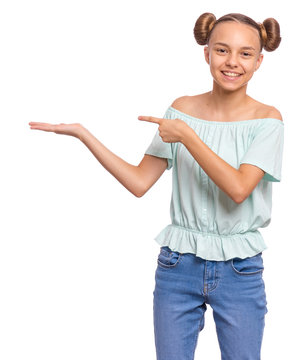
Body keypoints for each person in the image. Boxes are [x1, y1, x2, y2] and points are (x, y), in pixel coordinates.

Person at [28, 12, 284, 360]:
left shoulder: (267, 120)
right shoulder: (181, 110)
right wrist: (84, 135)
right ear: (206, 53)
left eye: (245, 53)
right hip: (178, 265)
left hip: (239, 268)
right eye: (222, 50)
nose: (232, 62)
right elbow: (139, 182)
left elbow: (238, 189)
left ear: (258, 61)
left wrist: (188, 137)